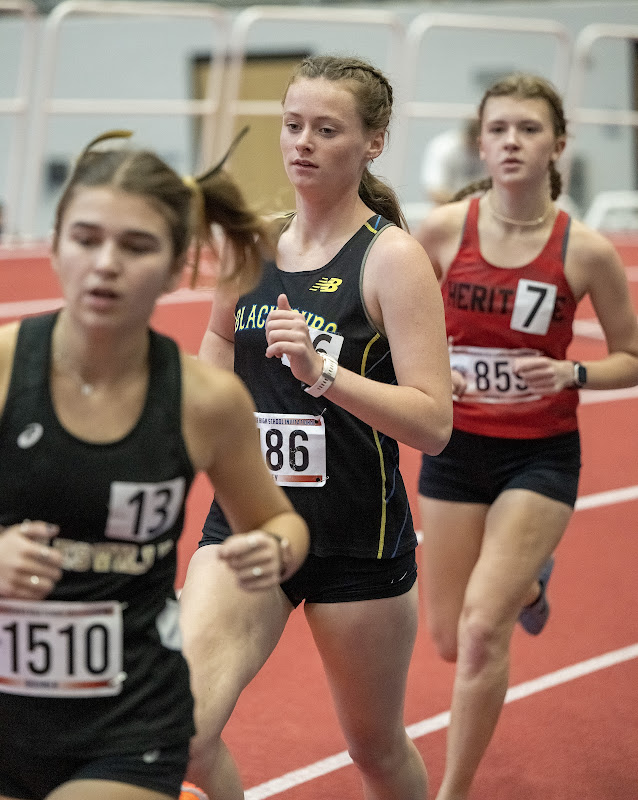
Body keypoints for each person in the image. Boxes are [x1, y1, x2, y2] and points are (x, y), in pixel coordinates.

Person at [0, 130, 309, 800]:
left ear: (177, 269)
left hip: (130, 721)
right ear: (55, 247)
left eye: (136, 246)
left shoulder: (206, 401)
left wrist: (275, 549)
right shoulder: (3, 371)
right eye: (86, 238)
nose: (105, 263)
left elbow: (280, 523)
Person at [179, 55, 453, 800]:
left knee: (376, 752)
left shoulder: (393, 259)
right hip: (250, 527)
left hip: (356, 541)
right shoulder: (250, 248)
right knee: (181, 730)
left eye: (326, 129)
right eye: (292, 125)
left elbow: (433, 425)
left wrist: (324, 376)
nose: (301, 142)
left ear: (373, 142)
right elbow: (214, 360)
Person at [414, 73, 638, 800]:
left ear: (557, 146)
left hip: (539, 457)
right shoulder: (444, 233)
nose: (512, 141)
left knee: (483, 630)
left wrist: (571, 375)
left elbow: (633, 357)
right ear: (480, 144)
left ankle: (451, 792)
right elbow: (387, 325)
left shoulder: (588, 252)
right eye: (499, 128)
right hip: (454, 451)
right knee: (446, 638)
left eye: (529, 129)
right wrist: (426, 374)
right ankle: (531, 579)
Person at [420, 118, 486, 207]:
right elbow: (435, 193)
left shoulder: (491, 150)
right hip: (447, 209)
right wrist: (470, 205)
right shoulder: (443, 148)